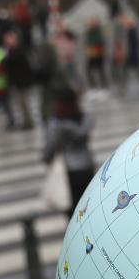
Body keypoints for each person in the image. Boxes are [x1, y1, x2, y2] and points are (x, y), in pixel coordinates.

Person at [42, 87, 95, 220]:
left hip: (69, 170)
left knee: (72, 209)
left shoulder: (55, 123)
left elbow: (51, 145)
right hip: (86, 166)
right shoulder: (84, 119)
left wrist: (46, 158)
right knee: (87, 204)